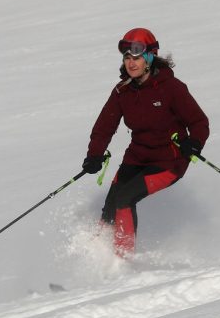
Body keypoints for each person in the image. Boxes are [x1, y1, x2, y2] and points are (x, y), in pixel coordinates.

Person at [82, 28, 209, 257]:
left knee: (125, 198)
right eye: (127, 57)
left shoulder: (171, 88)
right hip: (137, 157)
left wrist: (195, 143)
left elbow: (199, 122)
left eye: (137, 57)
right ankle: (97, 260)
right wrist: (94, 156)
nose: (132, 63)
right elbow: (104, 127)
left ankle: (122, 261)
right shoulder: (122, 91)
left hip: (169, 161)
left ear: (150, 57)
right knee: (112, 203)